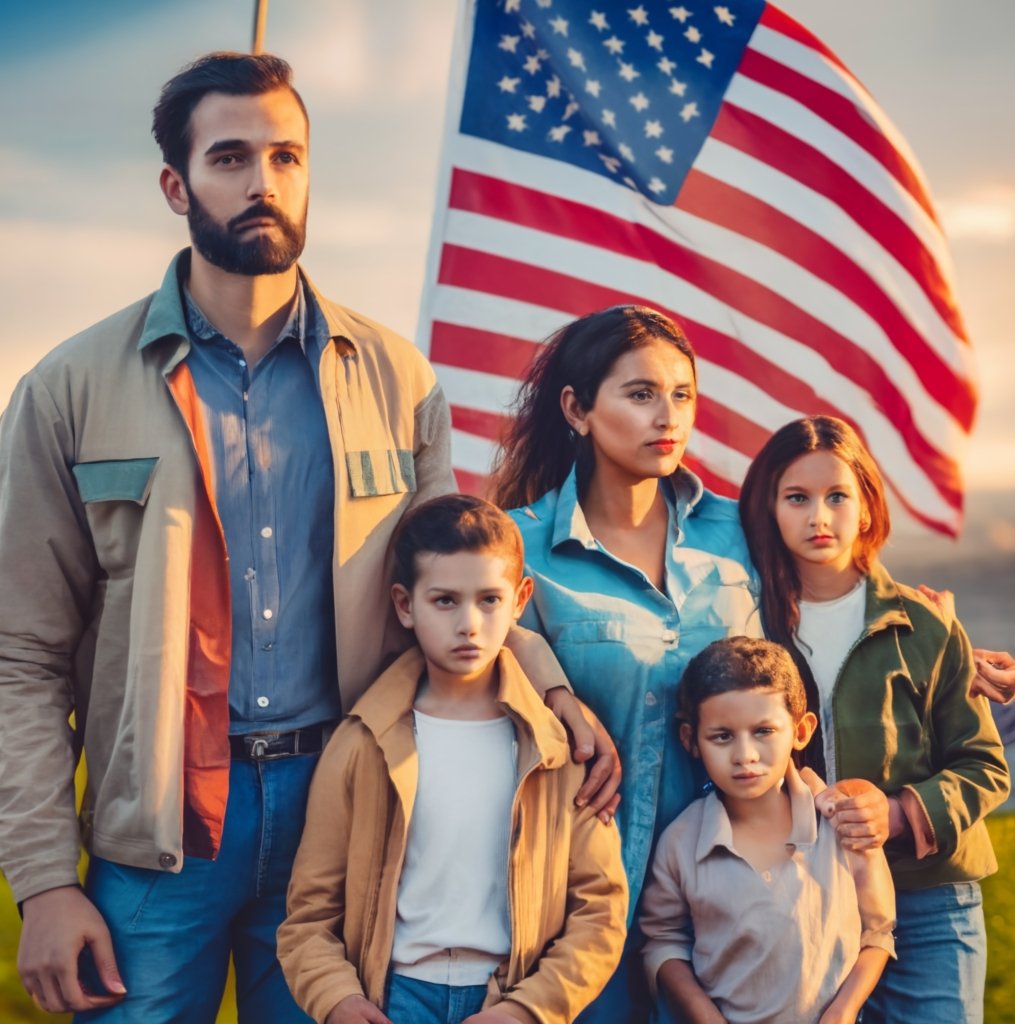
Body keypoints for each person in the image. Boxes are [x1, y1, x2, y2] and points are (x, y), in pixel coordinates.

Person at [0, 52, 613, 1022]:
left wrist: (549, 686)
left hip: (348, 806)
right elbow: (19, 655)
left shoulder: (398, 380)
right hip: (159, 837)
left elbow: (454, 583)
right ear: (176, 185)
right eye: (231, 157)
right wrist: (42, 880)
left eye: (287, 157)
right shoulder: (68, 390)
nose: (263, 183)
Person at [492, 305, 761, 1022]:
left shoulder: (742, 533)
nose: (667, 416)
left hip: (732, 901)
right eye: (640, 394)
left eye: (682, 395)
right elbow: (460, 656)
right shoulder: (518, 548)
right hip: (578, 901)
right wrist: (556, 689)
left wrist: (934, 629)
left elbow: (838, 602)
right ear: (577, 409)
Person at [277, 495, 628, 1024]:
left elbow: (600, 912)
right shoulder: (361, 745)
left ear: (519, 600)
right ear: (405, 605)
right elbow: (309, 916)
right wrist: (337, 999)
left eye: (489, 599)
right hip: (391, 999)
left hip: (510, 998)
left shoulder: (556, 751)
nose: (468, 623)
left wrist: (530, 1010)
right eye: (445, 601)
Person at [738, 415, 1009, 1024]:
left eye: (838, 496)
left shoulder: (926, 624)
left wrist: (898, 813)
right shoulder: (748, 627)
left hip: (926, 900)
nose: (819, 517)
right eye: (797, 498)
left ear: (865, 507)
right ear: (770, 510)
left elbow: (984, 765)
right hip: (798, 898)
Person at [639, 636, 895, 1024]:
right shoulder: (680, 843)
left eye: (763, 731)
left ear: (801, 730)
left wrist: (842, 1013)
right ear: (691, 740)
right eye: (722, 736)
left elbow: (877, 933)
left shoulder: (843, 825)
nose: (745, 756)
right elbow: (662, 941)